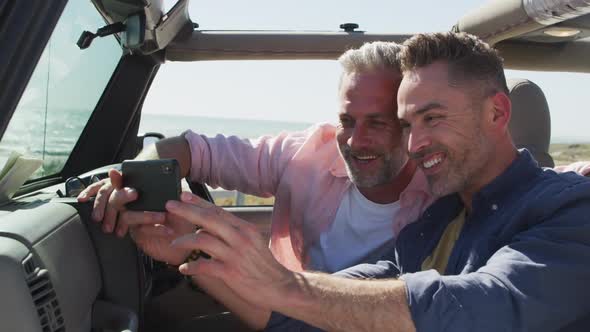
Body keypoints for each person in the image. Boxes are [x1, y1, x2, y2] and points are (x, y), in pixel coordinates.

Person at [164, 32, 590, 331]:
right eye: (408, 124)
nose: (417, 143)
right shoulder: (438, 218)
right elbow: (308, 315)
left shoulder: (570, 210)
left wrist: (283, 283)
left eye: (433, 118)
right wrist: (192, 254)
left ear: (497, 113)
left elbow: (481, 308)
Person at [78, 41, 434, 273]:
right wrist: (133, 188)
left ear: (408, 123)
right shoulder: (306, 154)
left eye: (377, 122)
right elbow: (188, 149)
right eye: (346, 121)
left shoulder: (444, 194)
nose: (356, 141)